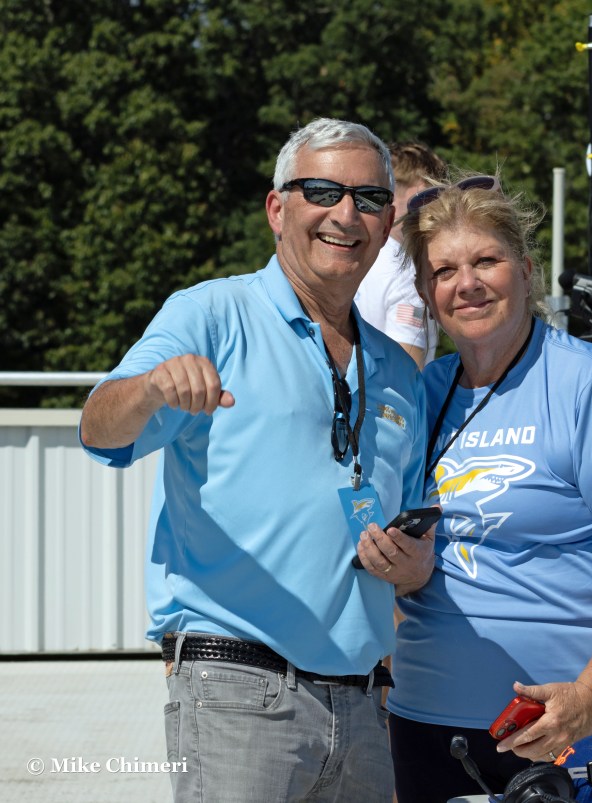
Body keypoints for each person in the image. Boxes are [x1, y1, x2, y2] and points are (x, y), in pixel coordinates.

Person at [78, 118, 436, 803]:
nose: (345, 214)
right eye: (322, 191)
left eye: (368, 198)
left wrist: (415, 566)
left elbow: (416, 543)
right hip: (239, 692)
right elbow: (100, 431)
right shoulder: (212, 313)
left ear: (388, 222)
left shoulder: (398, 371)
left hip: (365, 706)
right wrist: (150, 387)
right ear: (277, 208)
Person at [386, 174, 592, 802]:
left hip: (588, 732)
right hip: (432, 732)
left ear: (527, 272)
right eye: (444, 271)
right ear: (425, 292)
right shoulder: (420, 396)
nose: (466, 283)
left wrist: (589, 698)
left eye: (486, 261)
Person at [355, 141, 445, 368]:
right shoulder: (406, 274)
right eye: (437, 196)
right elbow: (406, 371)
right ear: (422, 192)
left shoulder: (352, 255)